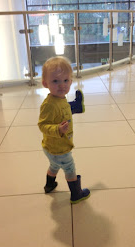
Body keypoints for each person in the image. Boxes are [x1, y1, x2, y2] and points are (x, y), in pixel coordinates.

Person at [38, 56, 90, 204]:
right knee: (69, 169)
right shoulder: (49, 105)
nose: (62, 85)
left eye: (65, 80)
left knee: (54, 166)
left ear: (71, 81)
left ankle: (49, 185)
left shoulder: (60, 99)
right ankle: (76, 194)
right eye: (55, 81)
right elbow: (42, 125)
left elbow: (62, 112)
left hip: (51, 149)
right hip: (60, 148)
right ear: (45, 83)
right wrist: (57, 129)